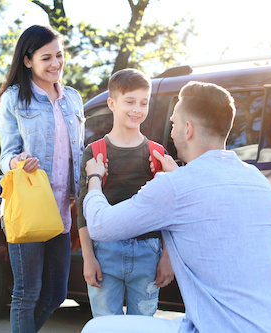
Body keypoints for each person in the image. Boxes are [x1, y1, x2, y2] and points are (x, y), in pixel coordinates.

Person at [81, 81, 271, 332]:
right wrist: (175, 176)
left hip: (217, 328)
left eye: (173, 124)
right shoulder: (257, 180)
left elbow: (98, 225)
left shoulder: (175, 186)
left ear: (188, 129)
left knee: (98, 328)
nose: (171, 133)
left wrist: (94, 177)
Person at [0, 25, 84, 333]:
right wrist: (17, 162)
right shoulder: (14, 99)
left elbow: (76, 153)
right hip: (28, 207)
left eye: (59, 55)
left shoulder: (72, 99)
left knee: (56, 293)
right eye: (47, 58)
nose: (56, 63)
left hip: (61, 210)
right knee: (26, 293)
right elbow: (6, 155)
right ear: (28, 60)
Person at [77, 68, 174, 318]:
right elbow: (83, 208)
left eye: (143, 103)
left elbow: (168, 212)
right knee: (106, 325)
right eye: (129, 101)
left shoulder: (157, 153)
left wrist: (167, 257)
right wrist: (88, 257)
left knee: (142, 325)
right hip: (105, 252)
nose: (137, 109)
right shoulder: (94, 152)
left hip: (148, 254)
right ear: (112, 103)